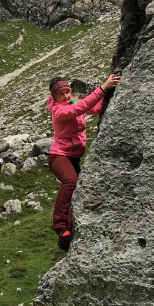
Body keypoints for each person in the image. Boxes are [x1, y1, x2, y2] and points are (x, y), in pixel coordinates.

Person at [47, 72, 121, 250]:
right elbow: (79, 109)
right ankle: (59, 225)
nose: (66, 96)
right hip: (59, 156)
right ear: (55, 97)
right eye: (61, 94)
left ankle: (65, 239)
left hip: (73, 157)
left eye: (67, 92)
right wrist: (103, 88)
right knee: (70, 182)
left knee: (78, 193)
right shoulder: (59, 111)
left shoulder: (71, 101)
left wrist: (111, 94)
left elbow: (92, 108)